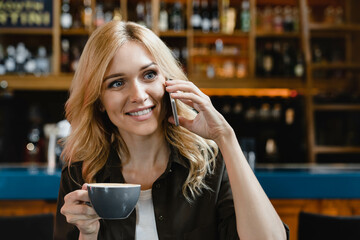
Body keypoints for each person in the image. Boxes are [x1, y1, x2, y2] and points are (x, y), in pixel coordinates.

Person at [54, 20, 289, 240]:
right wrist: (87, 234)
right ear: (99, 102)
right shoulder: (80, 175)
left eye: (149, 75)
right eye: (117, 83)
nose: (138, 95)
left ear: (169, 82)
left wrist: (225, 137)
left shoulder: (210, 164)